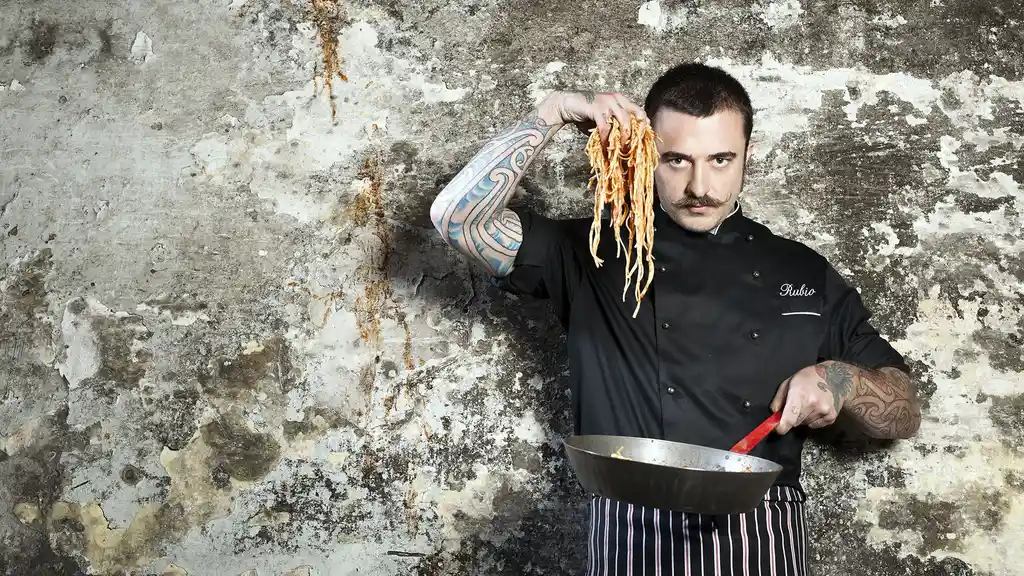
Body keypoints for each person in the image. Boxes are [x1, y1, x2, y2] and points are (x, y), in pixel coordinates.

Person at [429, 62, 922, 575]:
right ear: (647, 155)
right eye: (676, 160)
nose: (699, 186)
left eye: (721, 159)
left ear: (748, 155)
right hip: (630, 527)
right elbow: (456, 218)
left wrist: (839, 379)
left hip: (761, 532)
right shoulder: (590, 250)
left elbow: (904, 410)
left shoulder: (802, 270)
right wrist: (554, 111)